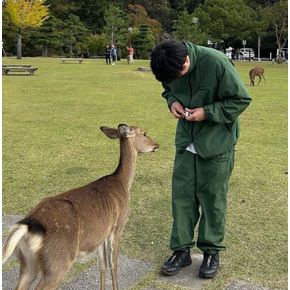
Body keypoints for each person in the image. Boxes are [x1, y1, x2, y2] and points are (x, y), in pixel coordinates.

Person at [150, 41, 252, 279]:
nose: (175, 79)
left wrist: (206, 112)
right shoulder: (169, 64)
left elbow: (240, 100)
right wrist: (172, 101)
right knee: (182, 196)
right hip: (187, 140)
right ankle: (181, 250)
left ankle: (211, 251)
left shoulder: (217, 63)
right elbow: (168, 88)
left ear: (186, 60)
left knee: (213, 199)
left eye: (179, 75)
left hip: (216, 142)